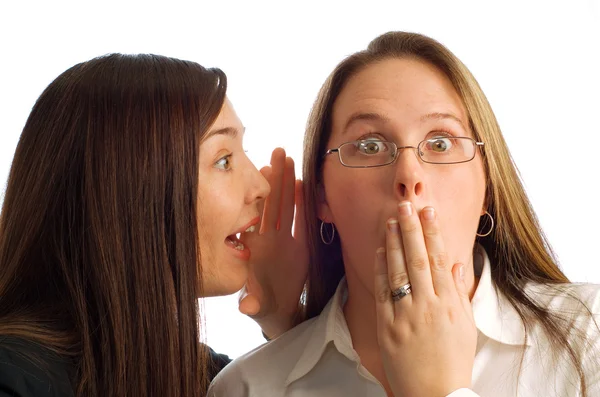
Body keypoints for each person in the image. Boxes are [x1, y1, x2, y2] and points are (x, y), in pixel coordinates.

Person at [208, 31, 600, 396]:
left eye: (441, 142)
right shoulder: (247, 386)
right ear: (321, 196)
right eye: (370, 145)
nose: (409, 176)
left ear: (488, 189)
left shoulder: (590, 334)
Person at [0, 54, 307, 396]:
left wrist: (284, 323)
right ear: (127, 188)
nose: (260, 187)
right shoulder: (15, 380)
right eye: (223, 160)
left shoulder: (203, 377)